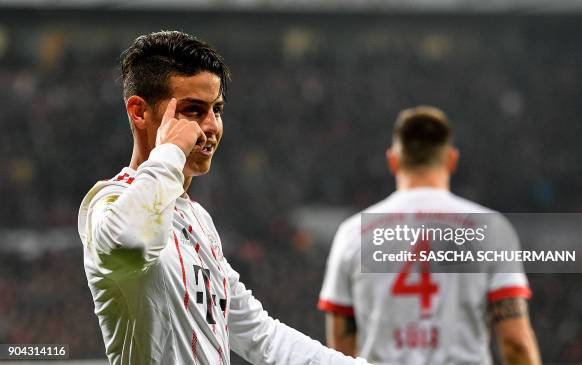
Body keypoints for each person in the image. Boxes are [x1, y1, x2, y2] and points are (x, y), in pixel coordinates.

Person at [77, 30, 371, 365]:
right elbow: (129, 245)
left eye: (216, 109)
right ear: (139, 112)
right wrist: (171, 150)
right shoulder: (109, 201)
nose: (211, 125)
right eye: (192, 111)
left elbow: (262, 336)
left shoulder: (199, 222)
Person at [318, 106, 541, 364]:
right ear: (452, 160)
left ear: (392, 160)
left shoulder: (353, 233)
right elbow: (516, 344)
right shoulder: (491, 229)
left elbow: (341, 349)